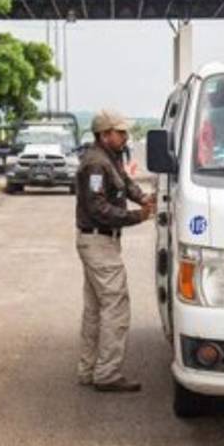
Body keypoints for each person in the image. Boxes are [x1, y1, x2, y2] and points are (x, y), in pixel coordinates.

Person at [75, 109, 154, 392]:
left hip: (101, 241)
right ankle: (107, 373)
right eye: (120, 132)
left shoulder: (110, 158)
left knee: (95, 310)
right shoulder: (96, 164)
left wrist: (144, 198)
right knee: (116, 306)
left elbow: (125, 183)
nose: (125, 137)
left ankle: (88, 369)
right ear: (104, 134)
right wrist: (137, 216)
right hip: (98, 241)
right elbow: (98, 208)